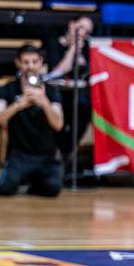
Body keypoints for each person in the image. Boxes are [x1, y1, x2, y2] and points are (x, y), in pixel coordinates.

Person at [0, 46, 64, 197]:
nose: (30, 66)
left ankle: (27, 182)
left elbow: (58, 124)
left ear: (41, 62)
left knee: (52, 189)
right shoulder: (8, 89)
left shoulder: (51, 92)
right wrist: (18, 105)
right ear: (18, 63)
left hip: (45, 155)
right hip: (19, 154)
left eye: (34, 62)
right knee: (6, 188)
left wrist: (44, 103)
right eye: (26, 62)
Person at [45, 15, 93, 166]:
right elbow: (57, 72)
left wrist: (80, 53)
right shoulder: (55, 44)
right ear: (72, 25)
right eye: (81, 27)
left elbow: (87, 72)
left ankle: (65, 153)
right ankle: (58, 153)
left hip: (76, 95)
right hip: (57, 93)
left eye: (87, 31)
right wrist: (73, 49)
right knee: (58, 117)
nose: (83, 33)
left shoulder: (86, 48)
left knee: (83, 112)